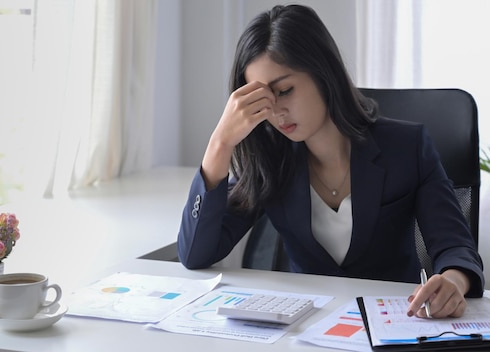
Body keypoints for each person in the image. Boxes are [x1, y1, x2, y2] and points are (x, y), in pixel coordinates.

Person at [176, 4, 484, 319]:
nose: (276, 111)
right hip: (305, 329)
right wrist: (220, 144)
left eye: (284, 91)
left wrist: (452, 281)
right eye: (262, 99)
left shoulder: (407, 147)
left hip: (394, 323)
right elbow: (196, 255)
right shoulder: (270, 158)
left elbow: (455, 247)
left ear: (323, 73)